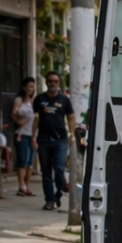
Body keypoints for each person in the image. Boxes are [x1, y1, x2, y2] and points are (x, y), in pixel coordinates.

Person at [33, 72, 74, 211]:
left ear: (59, 83)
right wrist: (33, 137)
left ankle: (59, 192)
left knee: (59, 168)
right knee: (46, 171)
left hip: (60, 140)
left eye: (55, 81)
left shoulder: (64, 99)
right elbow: (35, 119)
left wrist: (72, 134)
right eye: (50, 81)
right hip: (43, 140)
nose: (53, 84)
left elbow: (71, 117)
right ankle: (49, 199)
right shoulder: (39, 99)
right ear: (46, 82)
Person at [12, 77, 36, 196]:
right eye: (29, 86)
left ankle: (26, 185)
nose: (31, 89)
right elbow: (14, 113)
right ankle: (21, 186)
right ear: (24, 88)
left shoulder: (35, 101)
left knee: (30, 162)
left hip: (33, 135)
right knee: (22, 160)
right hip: (21, 134)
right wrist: (20, 120)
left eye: (33, 86)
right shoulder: (19, 100)